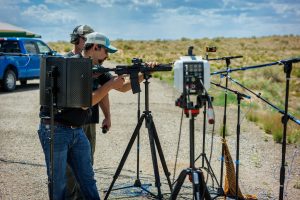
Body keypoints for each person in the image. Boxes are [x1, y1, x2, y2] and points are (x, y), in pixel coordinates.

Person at [38, 31, 125, 199]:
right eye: (106, 51)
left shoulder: (94, 68)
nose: (107, 56)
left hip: (76, 130)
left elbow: (122, 86)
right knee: (59, 184)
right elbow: (85, 102)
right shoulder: (73, 65)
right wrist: (111, 84)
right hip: (56, 130)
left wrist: (143, 73)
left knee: (87, 179)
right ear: (94, 47)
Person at [64, 25, 114, 200]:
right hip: (69, 123)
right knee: (69, 169)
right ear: (77, 39)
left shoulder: (95, 63)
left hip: (89, 121)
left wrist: (107, 116)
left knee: (86, 165)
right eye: (85, 38)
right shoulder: (68, 61)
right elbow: (82, 101)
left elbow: (104, 90)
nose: (88, 41)